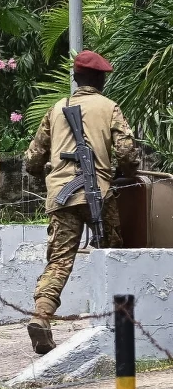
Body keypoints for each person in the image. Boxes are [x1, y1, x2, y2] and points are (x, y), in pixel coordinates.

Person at [24, 50, 139, 355]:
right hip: (99, 193)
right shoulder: (109, 107)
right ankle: (118, 319)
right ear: (101, 79)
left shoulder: (56, 109)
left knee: (60, 259)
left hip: (62, 196)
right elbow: (127, 153)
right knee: (111, 252)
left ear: (75, 78)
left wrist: (45, 172)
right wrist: (125, 173)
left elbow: (33, 158)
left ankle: (42, 315)